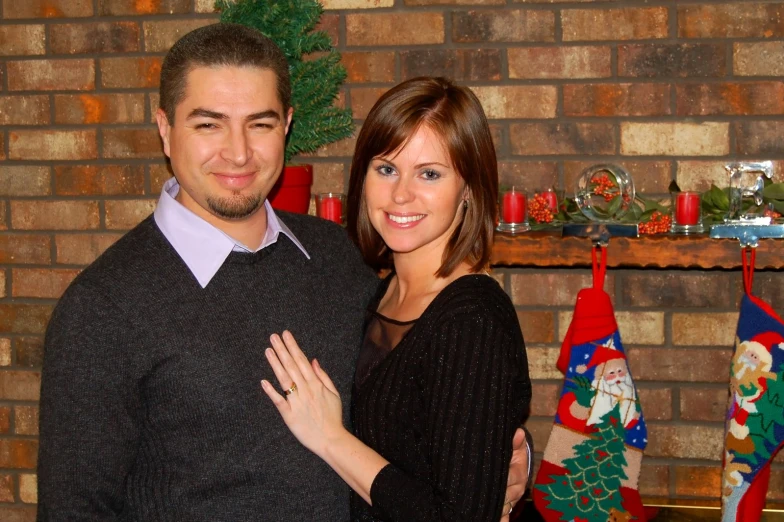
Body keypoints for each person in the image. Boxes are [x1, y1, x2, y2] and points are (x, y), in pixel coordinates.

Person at [36, 24, 528, 521]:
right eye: (209, 124)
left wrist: (498, 450)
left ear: (287, 126)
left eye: (260, 124)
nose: (238, 152)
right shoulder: (104, 307)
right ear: (165, 129)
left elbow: (412, 397)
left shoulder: (337, 257)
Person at [261, 77, 532, 521]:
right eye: (386, 168)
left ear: (469, 189)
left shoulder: (471, 321)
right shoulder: (375, 291)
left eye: (429, 173)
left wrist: (331, 438)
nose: (401, 194)